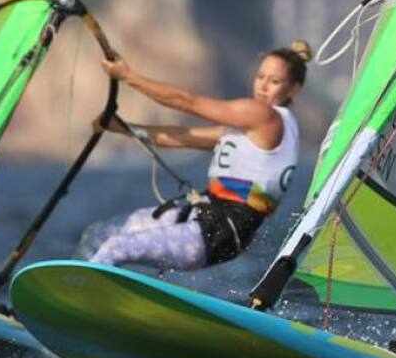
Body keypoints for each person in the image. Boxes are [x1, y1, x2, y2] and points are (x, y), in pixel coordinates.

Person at [86, 41, 311, 271]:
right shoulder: (252, 132)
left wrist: (127, 75)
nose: (263, 87)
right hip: (203, 217)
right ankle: (70, 285)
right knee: (100, 234)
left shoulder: (265, 116)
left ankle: (79, 294)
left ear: (293, 89)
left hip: (218, 233)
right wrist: (122, 127)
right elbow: (177, 137)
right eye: (260, 77)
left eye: (274, 81)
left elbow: (186, 102)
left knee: (115, 246)